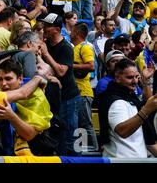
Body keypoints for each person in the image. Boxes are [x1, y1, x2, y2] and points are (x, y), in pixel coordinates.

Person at [0, 59, 54, 156]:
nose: (3, 84)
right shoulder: (0, 93)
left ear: (20, 78)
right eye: (0, 79)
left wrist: (12, 116)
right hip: (8, 152)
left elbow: (29, 135)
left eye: (8, 79)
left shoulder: (36, 96)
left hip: (34, 152)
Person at [38, 13, 81, 156]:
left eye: (47, 26)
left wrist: (46, 54)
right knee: (58, 133)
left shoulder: (65, 47)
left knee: (70, 133)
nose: (44, 28)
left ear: (57, 29)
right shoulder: (47, 43)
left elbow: (61, 71)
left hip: (68, 98)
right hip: (55, 96)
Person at [98, 59, 157, 158]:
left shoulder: (130, 97)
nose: (135, 81)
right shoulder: (116, 102)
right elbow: (122, 131)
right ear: (117, 78)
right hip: (120, 159)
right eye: (130, 77)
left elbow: (149, 103)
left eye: (136, 77)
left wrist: (146, 81)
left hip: (137, 158)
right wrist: (146, 110)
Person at [71, 23, 98, 152]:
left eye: (71, 31)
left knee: (85, 122)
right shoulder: (75, 48)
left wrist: (70, 66)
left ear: (76, 33)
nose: (70, 34)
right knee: (77, 124)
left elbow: (91, 66)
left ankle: (93, 151)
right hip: (76, 92)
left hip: (83, 92)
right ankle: (80, 151)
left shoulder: (85, 47)